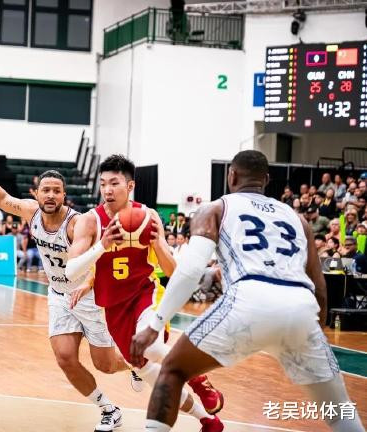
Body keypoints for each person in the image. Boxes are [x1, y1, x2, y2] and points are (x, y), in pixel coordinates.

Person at [130, 150, 364, 432]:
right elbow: (320, 288)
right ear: (266, 180)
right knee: (338, 410)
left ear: (232, 176)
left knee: (172, 370)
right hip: (301, 306)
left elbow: (190, 272)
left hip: (250, 300)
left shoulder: (216, 208)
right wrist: (317, 333)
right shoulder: (297, 219)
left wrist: (155, 325)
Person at [0, 140, 143, 432]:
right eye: (45, 190)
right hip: (59, 296)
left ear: (64, 195)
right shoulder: (31, 212)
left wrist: (88, 283)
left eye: (56, 191)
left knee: (106, 365)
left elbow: (101, 260)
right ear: (36, 193)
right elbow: (1, 198)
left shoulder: (77, 224)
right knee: (64, 358)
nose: (50, 195)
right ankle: (108, 410)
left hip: (88, 297)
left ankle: (134, 364)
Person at [64, 154, 224, 432]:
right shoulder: (90, 221)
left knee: (149, 345)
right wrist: (102, 246)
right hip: (113, 307)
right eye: (103, 183)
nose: (107, 190)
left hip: (146, 295)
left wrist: (158, 245)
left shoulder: (148, 216)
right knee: (152, 375)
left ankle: (199, 380)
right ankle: (208, 420)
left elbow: (172, 271)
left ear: (130, 186)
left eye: (114, 183)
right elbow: (70, 270)